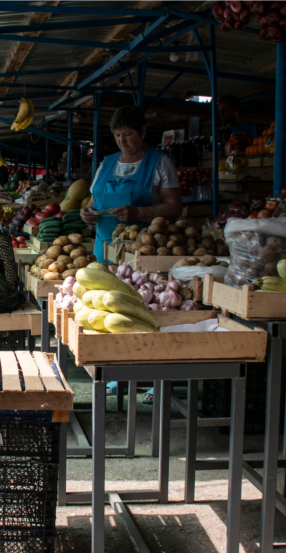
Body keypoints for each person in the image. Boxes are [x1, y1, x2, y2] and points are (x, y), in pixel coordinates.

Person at [80, 105, 182, 400]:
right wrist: (87, 212)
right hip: (107, 251)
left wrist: (139, 211)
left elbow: (175, 206)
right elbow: (92, 200)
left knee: (149, 314)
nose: (122, 141)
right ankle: (115, 375)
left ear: (143, 132)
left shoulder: (161, 163)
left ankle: (157, 380)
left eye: (128, 134)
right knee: (113, 317)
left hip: (145, 254)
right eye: (117, 135)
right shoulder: (107, 163)